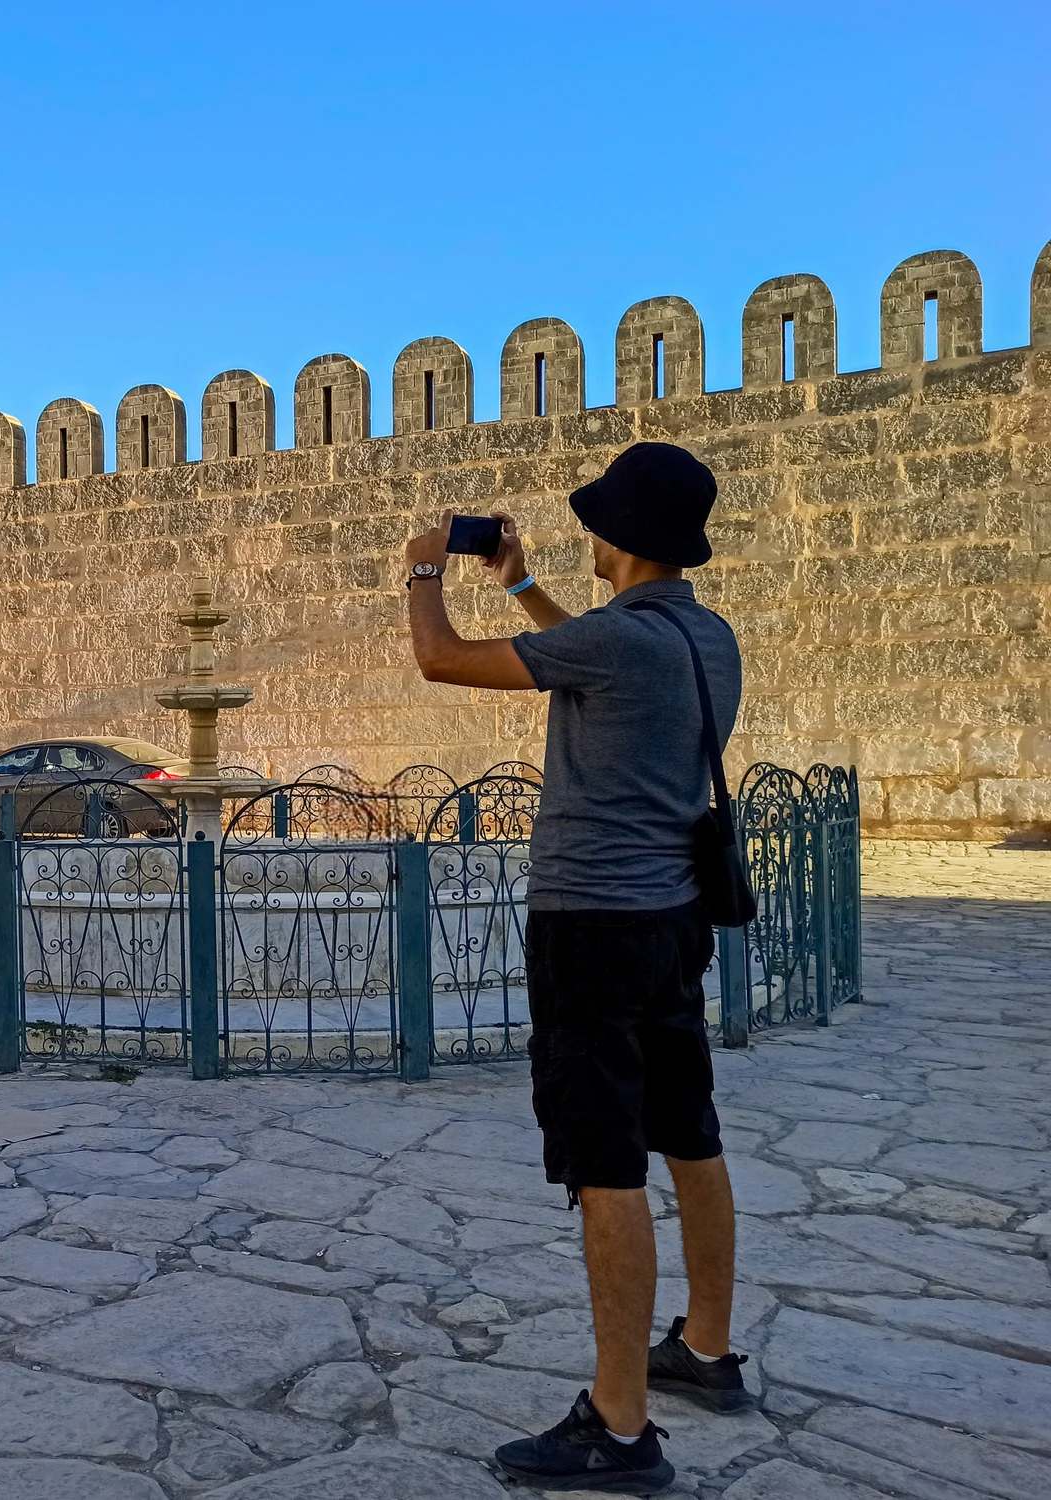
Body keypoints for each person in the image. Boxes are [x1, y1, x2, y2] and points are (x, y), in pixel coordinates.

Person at [401, 442, 753, 1495]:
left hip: (591, 931)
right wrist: (515, 580)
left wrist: (422, 570)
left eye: (597, 523)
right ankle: (702, 1346)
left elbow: (440, 660)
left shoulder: (621, 645)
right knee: (687, 1134)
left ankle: (617, 1423)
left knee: (603, 1166)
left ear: (622, 539)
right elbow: (583, 651)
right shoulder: (699, 638)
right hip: (669, 924)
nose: (587, 537)